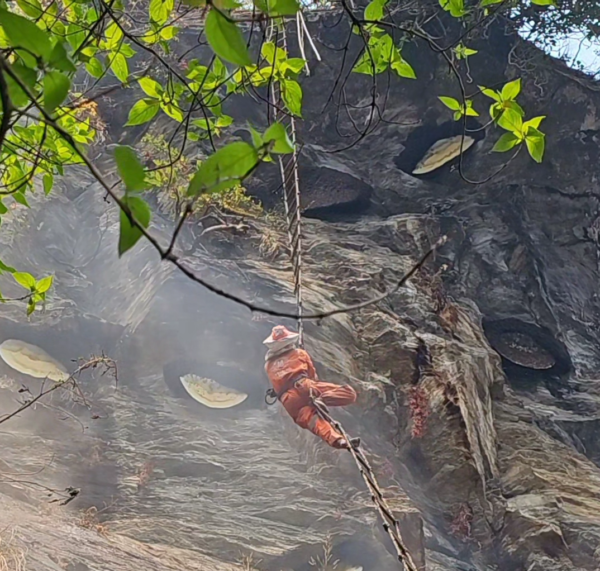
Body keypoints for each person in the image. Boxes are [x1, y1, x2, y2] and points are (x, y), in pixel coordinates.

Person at [263, 325, 360, 450]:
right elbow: (312, 375)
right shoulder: (299, 353)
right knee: (349, 393)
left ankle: (339, 441)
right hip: (304, 386)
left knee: (316, 423)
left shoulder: (268, 366)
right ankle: (322, 399)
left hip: (288, 401)